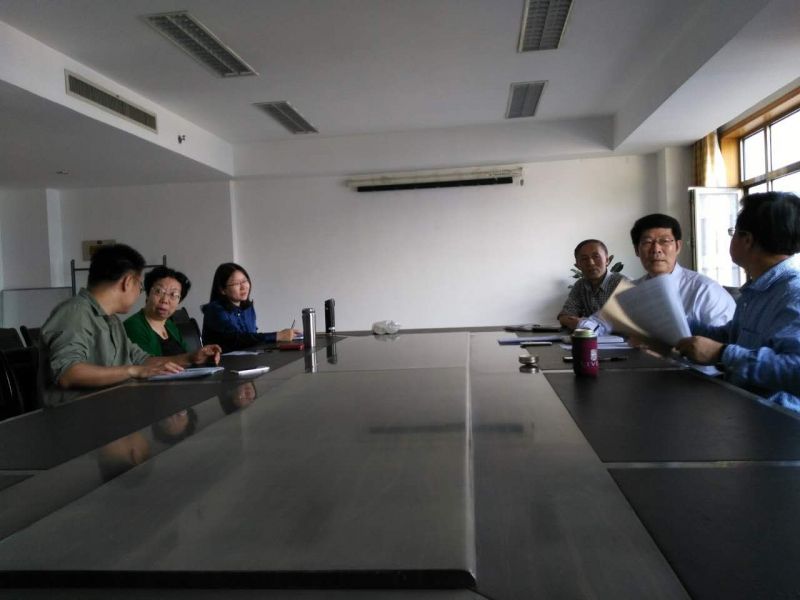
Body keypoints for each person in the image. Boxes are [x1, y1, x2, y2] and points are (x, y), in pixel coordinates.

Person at [41, 244, 221, 404]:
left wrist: (191, 358)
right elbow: (68, 373)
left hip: (110, 409)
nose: (138, 293)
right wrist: (133, 371)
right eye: (139, 286)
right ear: (127, 282)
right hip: (78, 418)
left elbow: (142, 360)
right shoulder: (75, 313)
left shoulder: (111, 320)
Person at [676, 192, 800, 412]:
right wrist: (674, 319)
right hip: (741, 408)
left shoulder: (793, 294)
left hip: (779, 422)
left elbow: (795, 371)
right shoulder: (757, 289)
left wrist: (722, 354)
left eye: (733, 232)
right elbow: (731, 336)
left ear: (747, 240)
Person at [579, 213, 736, 335]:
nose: (656, 249)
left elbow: (724, 343)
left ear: (678, 246)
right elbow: (600, 321)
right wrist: (586, 330)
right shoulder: (632, 290)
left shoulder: (705, 290)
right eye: (647, 242)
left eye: (664, 241)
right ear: (636, 250)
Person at [124, 265, 218, 358]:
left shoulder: (169, 325)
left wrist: (204, 356)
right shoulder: (133, 326)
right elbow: (148, 363)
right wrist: (191, 359)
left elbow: (186, 354)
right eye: (159, 291)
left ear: (179, 302)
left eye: (173, 295)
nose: (165, 300)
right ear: (148, 294)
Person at [201, 262, 296, 352]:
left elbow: (252, 338)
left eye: (244, 281)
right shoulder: (215, 310)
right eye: (236, 283)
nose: (243, 287)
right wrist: (277, 336)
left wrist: (282, 336)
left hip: (248, 358)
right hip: (224, 361)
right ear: (222, 290)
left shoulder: (247, 308)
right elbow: (238, 339)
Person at [557, 239, 627, 330]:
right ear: (578, 265)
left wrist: (587, 324)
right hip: (591, 337)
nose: (591, 263)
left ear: (607, 260)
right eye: (584, 259)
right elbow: (565, 315)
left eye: (596, 257)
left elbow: (631, 322)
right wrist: (578, 323)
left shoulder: (623, 284)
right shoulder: (580, 285)